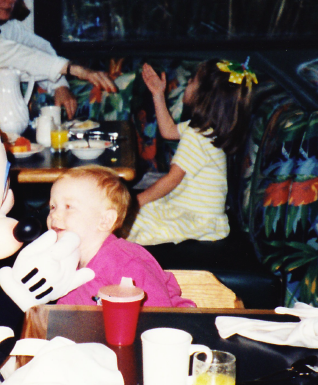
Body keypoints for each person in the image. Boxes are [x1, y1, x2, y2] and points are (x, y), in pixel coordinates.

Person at [126, 59, 254, 246]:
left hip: (195, 218)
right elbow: (169, 131)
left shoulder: (198, 136)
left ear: (204, 96)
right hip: (188, 209)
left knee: (132, 227)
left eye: (192, 80)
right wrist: (158, 95)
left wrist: (133, 204)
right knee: (136, 218)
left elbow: (171, 180)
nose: (187, 84)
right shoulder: (204, 129)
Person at [51, 166, 194, 308]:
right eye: (53, 206)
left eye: (68, 206)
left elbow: (157, 311)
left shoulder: (125, 263)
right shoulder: (70, 261)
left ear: (105, 220)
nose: (54, 215)